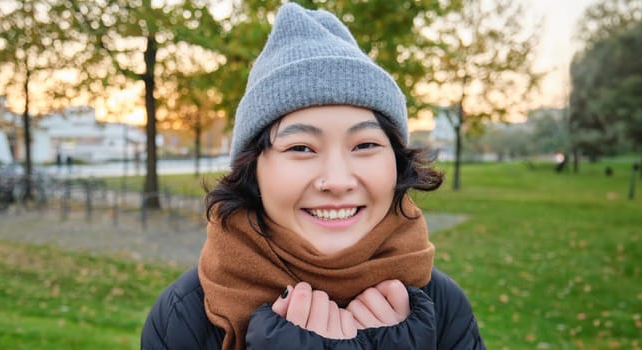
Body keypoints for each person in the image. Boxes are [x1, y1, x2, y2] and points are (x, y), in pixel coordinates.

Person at [142, 3, 483, 349]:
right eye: (301, 148)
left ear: (396, 161)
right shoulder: (183, 317)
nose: (337, 181)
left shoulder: (442, 308)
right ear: (253, 169)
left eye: (365, 144)